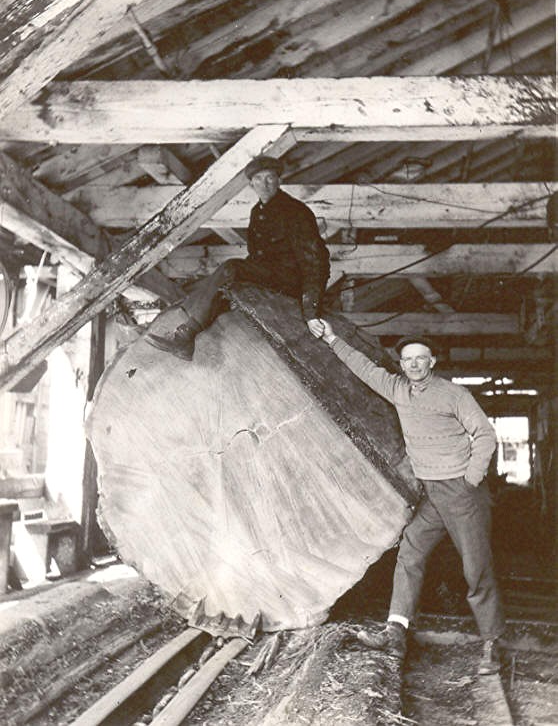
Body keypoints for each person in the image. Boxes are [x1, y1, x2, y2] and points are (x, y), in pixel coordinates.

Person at [309, 321, 505, 675]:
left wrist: (471, 478)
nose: (414, 364)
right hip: (432, 493)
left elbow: (485, 435)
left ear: (432, 362)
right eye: (407, 359)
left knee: (476, 568)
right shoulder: (399, 389)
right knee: (410, 551)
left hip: (462, 493)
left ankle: (492, 644)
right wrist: (332, 338)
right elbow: (365, 368)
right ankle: (395, 631)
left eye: (420, 358)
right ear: (401, 365)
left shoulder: (453, 394)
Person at [147, 155, 330, 360]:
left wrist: (311, 312)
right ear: (251, 184)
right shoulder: (257, 212)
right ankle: (187, 337)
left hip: (288, 281)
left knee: (231, 268)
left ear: (279, 180)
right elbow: (256, 256)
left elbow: (315, 261)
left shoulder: (296, 212)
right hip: (267, 276)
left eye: (270, 178)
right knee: (223, 283)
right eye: (258, 179)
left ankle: (186, 334)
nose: (264, 184)